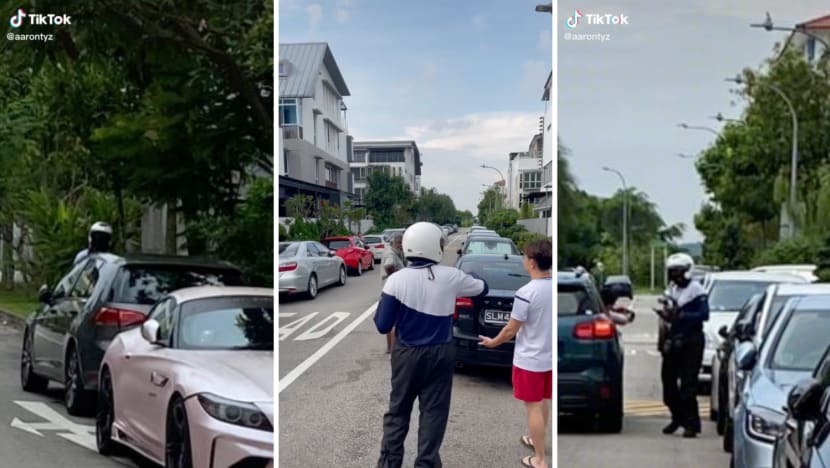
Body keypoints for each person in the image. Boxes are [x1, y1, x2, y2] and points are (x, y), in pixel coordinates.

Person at [374, 222, 489, 468]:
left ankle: (389, 463)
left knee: (398, 412)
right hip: (441, 352)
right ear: (434, 246)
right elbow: (482, 288)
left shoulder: (397, 280)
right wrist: (474, 275)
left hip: (406, 352)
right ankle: (426, 463)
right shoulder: (451, 276)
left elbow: (383, 325)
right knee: (434, 414)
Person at [479, 239, 552, 468]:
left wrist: (493, 342)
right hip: (551, 359)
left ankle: (540, 459)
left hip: (530, 360)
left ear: (531, 262)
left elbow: (511, 328)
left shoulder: (526, 292)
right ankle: (537, 440)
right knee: (543, 402)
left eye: (524, 257)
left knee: (532, 406)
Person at [655, 252, 709, 438]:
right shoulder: (672, 289)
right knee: (668, 385)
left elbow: (704, 314)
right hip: (673, 339)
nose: (675, 276)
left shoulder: (696, 290)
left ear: (687, 271)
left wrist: (682, 315)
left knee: (688, 385)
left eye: (678, 272)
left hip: (691, 340)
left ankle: (692, 424)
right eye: (672, 272)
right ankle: (677, 417)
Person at [380, 232, 406, 353]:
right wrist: (398, 276)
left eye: (402, 242)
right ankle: (393, 348)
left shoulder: (397, 253)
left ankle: (389, 348)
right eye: (399, 242)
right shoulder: (391, 253)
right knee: (395, 322)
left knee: (390, 320)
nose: (401, 245)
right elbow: (388, 266)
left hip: (389, 290)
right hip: (393, 291)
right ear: (393, 242)